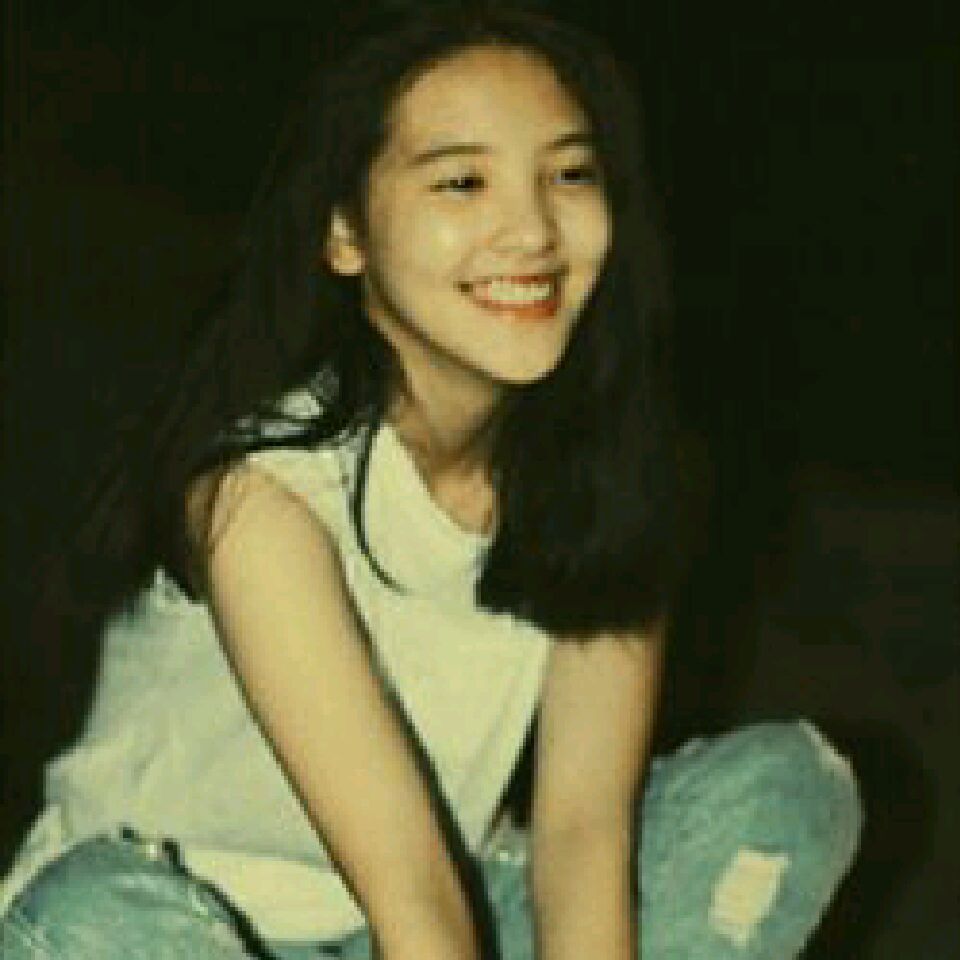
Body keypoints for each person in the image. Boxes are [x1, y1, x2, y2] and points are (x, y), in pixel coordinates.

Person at [0, 3, 863, 958]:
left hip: (426, 916)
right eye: (462, 181)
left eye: (569, 174)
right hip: (163, 924)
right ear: (345, 233)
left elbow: (581, 840)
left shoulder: (605, 474)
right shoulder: (261, 495)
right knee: (92, 915)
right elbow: (410, 892)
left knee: (789, 789)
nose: (531, 230)